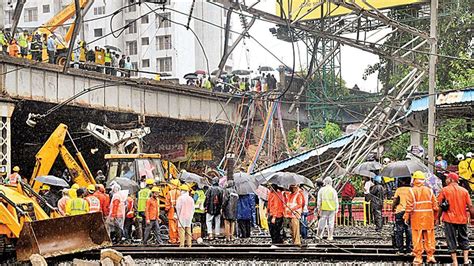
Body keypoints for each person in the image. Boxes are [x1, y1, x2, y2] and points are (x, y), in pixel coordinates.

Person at [403, 171, 438, 264]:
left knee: (417, 238)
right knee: (429, 237)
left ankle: (418, 257)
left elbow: (409, 206)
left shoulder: (411, 191)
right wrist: (435, 218)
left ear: (414, 179)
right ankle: (430, 256)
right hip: (428, 217)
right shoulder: (429, 190)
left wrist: (406, 216)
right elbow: (435, 206)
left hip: (417, 218)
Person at [437, 172, 472, 266]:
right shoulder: (464, 191)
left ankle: (455, 262)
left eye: (447, 178)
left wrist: (438, 218)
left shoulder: (444, 190)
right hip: (462, 219)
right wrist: (472, 217)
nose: (445, 180)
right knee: (464, 238)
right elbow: (470, 206)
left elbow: (440, 205)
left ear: (451, 179)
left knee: (451, 239)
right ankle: (465, 260)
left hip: (449, 219)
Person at [392, 177, 412, 255]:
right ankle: (409, 249)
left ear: (402, 181)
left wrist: (392, 208)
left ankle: (400, 250)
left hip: (400, 211)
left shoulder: (399, 190)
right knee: (409, 230)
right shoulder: (412, 189)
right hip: (409, 211)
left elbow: (395, 201)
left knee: (399, 230)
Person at [165, 179, 181, 244]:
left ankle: (173, 240)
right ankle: (179, 239)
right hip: (179, 211)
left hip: (172, 211)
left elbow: (167, 203)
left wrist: (166, 210)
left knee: (172, 227)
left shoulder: (170, 193)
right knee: (179, 226)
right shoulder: (180, 192)